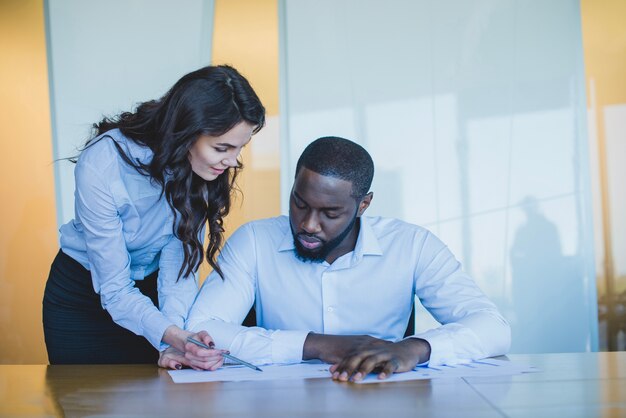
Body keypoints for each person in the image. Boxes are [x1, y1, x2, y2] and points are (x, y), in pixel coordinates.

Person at [181, 136, 511, 381]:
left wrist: (411, 349)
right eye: (300, 203)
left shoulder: (412, 245)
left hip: (381, 400)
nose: (308, 224)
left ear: (363, 205)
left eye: (330, 212)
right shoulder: (255, 241)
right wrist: (319, 345)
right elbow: (200, 330)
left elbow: (493, 328)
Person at [42, 65, 265, 368]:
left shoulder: (199, 168)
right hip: (83, 302)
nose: (232, 161)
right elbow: (115, 289)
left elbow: (178, 271)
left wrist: (175, 338)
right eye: (222, 147)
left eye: (240, 147)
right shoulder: (104, 162)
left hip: (153, 299)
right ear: (187, 131)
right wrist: (172, 334)